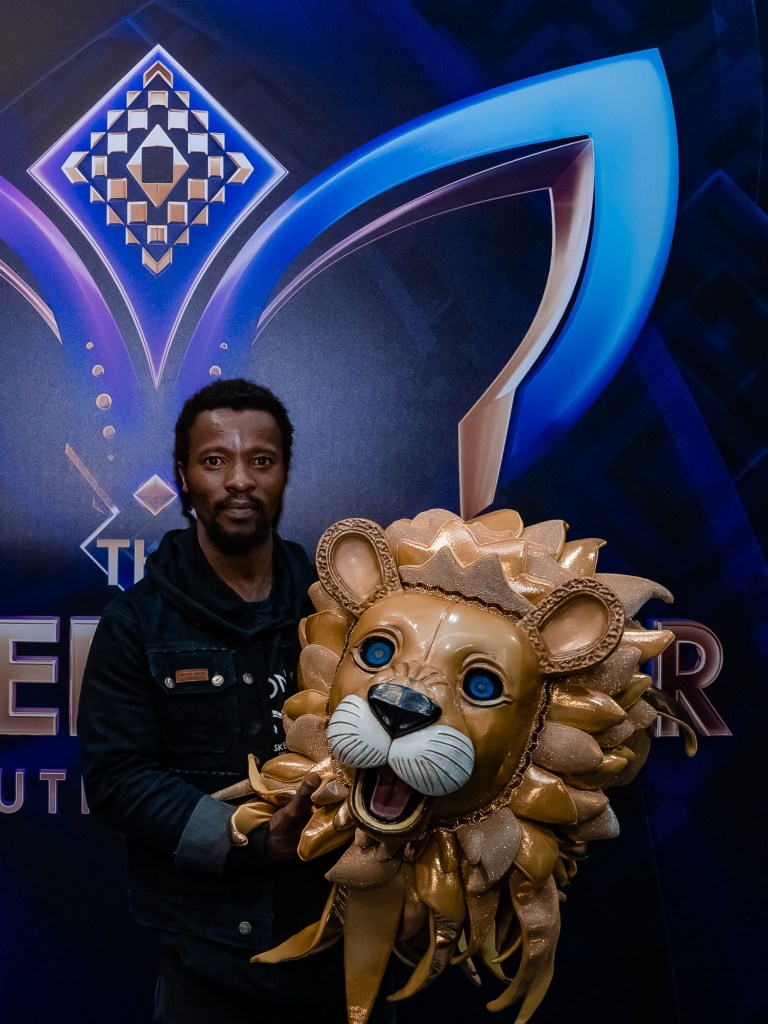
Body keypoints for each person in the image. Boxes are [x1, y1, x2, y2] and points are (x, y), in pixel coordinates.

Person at [78, 378, 350, 1024]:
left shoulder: (344, 611)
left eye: (261, 460)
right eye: (214, 461)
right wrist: (248, 837)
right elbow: (117, 777)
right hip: (208, 958)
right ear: (183, 477)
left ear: (285, 473)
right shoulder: (136, 624)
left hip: (342, 942)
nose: (239, 481)